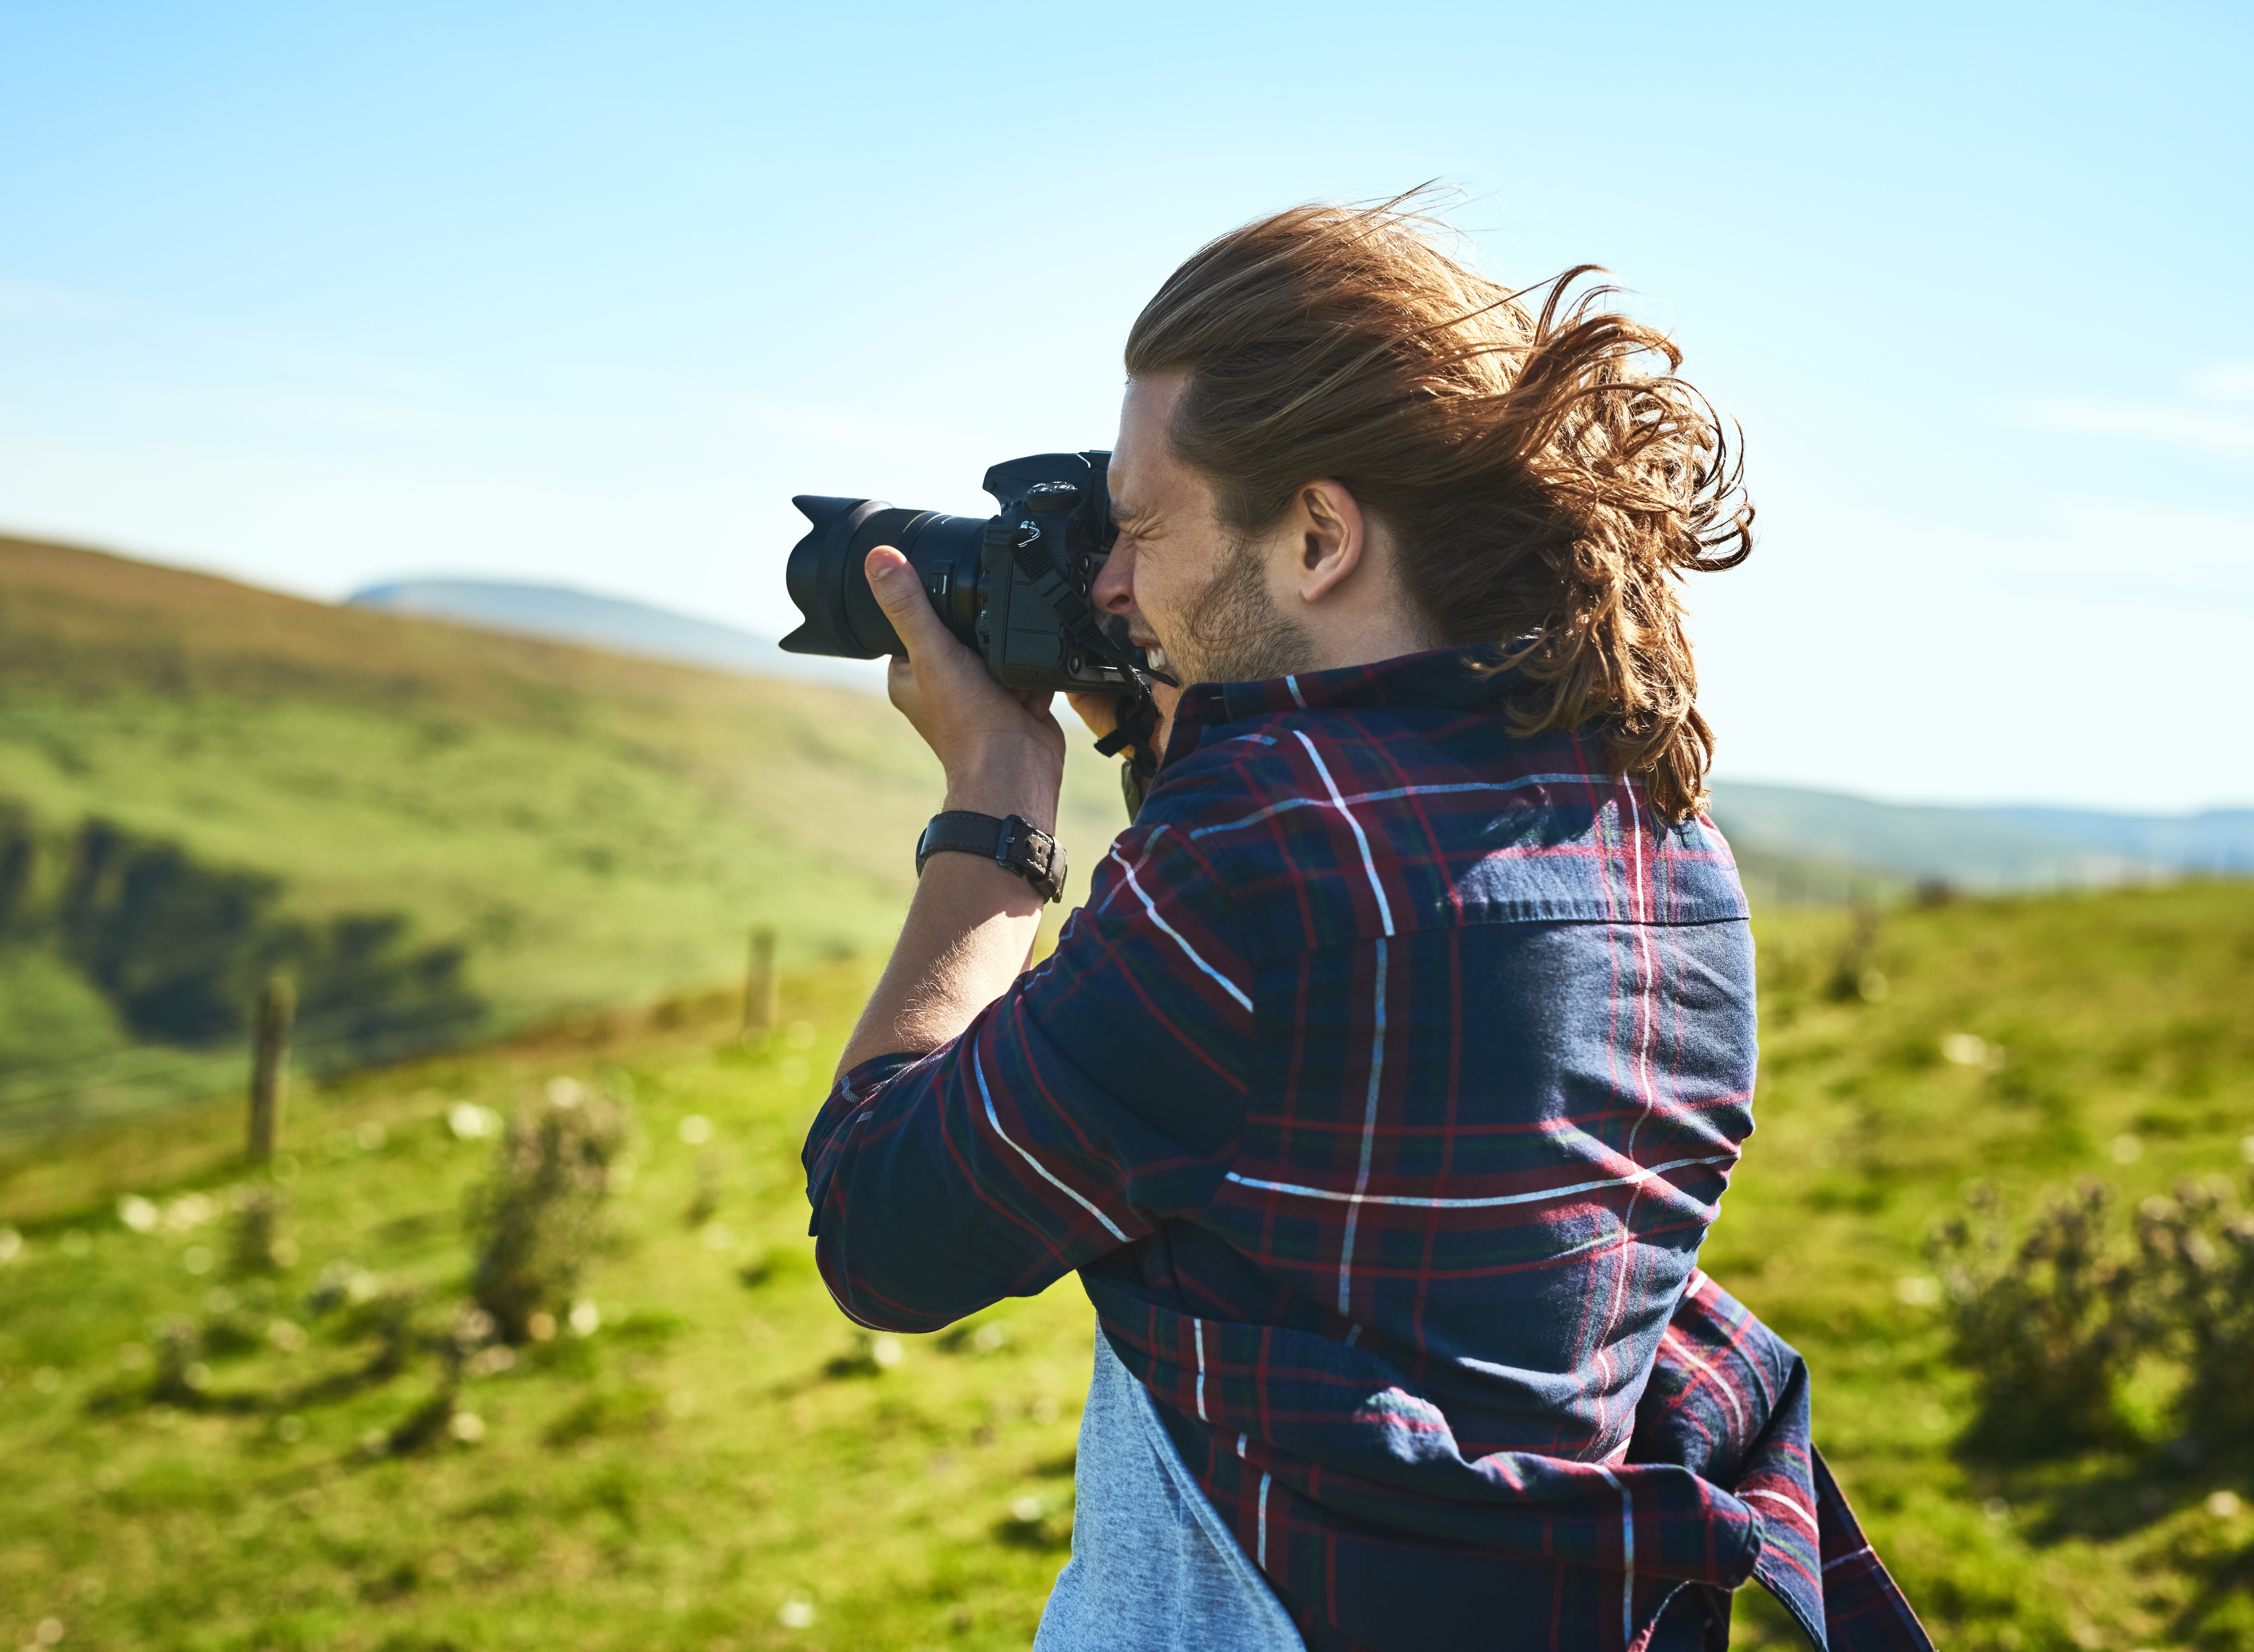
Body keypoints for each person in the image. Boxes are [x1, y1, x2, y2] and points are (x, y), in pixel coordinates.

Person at [802, 199, 1930, 1652]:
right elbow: (1323, 1131)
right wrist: (1176, 754)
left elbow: (885, 1230)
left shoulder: (1259, 860)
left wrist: (999, 816)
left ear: (1320, 534)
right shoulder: (1668, 844)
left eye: (1141, 522)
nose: (1108, 581)